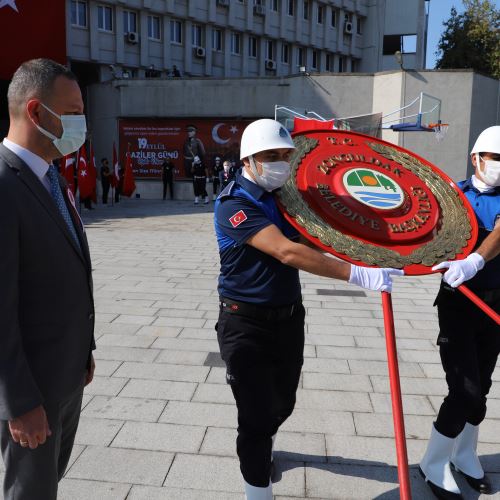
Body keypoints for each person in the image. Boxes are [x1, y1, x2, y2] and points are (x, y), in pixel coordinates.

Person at [214, 118, 404, 500]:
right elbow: (287, 251)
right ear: (249, 160)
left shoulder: (284, 199)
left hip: (288, 319)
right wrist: (356, 275)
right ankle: (257, 486)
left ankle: (266, 439)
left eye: (286, 156)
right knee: (254, 419)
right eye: (272, 156)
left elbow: (318, 235)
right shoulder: (233, 202)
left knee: (282, 403)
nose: (282, 163)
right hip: (245, 322)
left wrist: (370, 250)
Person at [0, 58, 95, 500]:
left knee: (47, 486)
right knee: (29, 493)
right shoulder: (4, 184)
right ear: (37, 113)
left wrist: (83, 352)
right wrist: (19, 403)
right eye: (74, 112)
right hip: (32, 393)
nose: (82, 122)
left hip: (64, 378)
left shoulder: (49, 177)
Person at [419, 125, 500, 500]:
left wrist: (475, 261)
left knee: (481, 388)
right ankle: (434, 462)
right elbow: (424, 229)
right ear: (476, 159)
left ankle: (465, 455)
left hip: (495, 303)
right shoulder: (453, 195)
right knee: (464, 388)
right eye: (495, 158)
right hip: (458, 303)